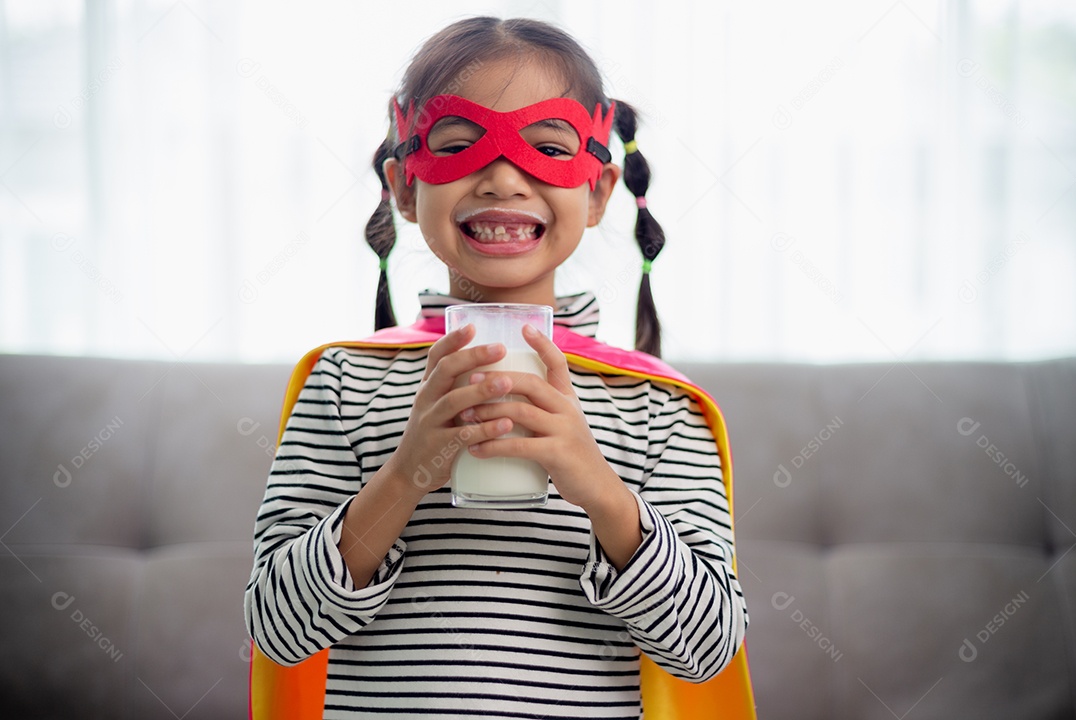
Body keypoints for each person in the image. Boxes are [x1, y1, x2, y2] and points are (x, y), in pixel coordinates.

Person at [245, 15, 752, 720]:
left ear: (598, 191)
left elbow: (707, 647)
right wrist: (404, 473)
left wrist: (602, 491)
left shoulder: (659, 409)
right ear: (404, 186)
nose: (504, 178)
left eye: (546, 147)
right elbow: (279, 631)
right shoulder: (343, 384)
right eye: (459, 146)